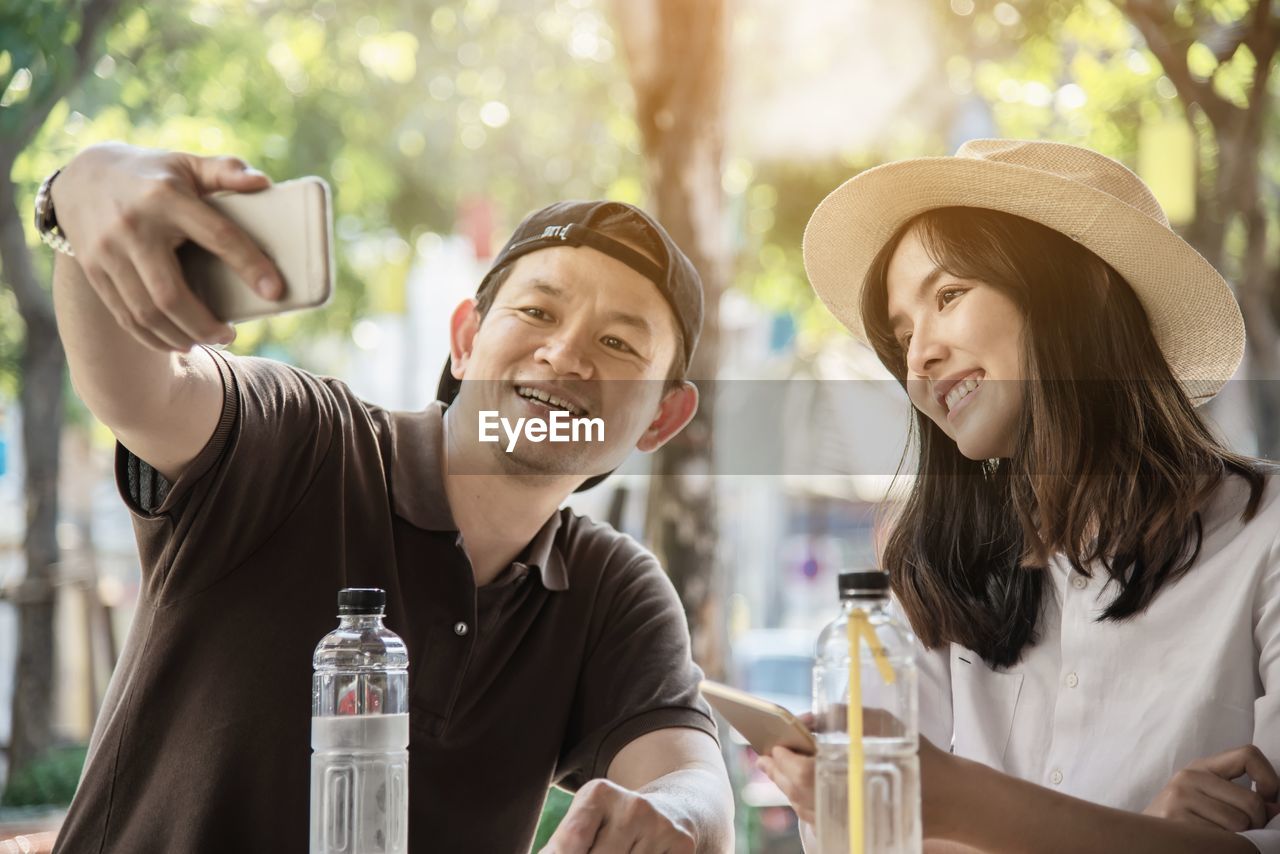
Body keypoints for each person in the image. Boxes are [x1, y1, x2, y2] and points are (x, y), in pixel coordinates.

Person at [37, 142, 734, 853]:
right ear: (465, 340)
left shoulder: (609, 590)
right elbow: (141, 390)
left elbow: (692, 781)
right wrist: (86, 195)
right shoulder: (302, 441)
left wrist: (675, 811)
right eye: (537, 311)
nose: (567, 355)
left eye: (619, 345)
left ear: (661, 418)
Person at [759, 139, 1280, 853]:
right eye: (901, 334)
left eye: (948, 296)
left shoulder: (1266, 534)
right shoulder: (933, 578)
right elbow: (869, 840)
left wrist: (951, 806)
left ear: (1084, 289)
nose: (918, 358)